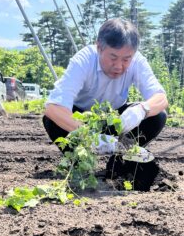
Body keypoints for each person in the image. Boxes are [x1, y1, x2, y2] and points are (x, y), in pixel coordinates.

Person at [43, 18, 168, 154]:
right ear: (99, 48)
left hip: (115, 121)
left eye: (126, 59)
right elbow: (53, 107)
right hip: (82, 119)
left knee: (157, 116)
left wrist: (141, 110)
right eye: (113, 58)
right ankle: (79, 163)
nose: (119, 66)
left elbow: (160, 98)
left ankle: (121, 161)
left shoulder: (137, 61)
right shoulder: (84, 60)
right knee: (53, 121)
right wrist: (90, 136)